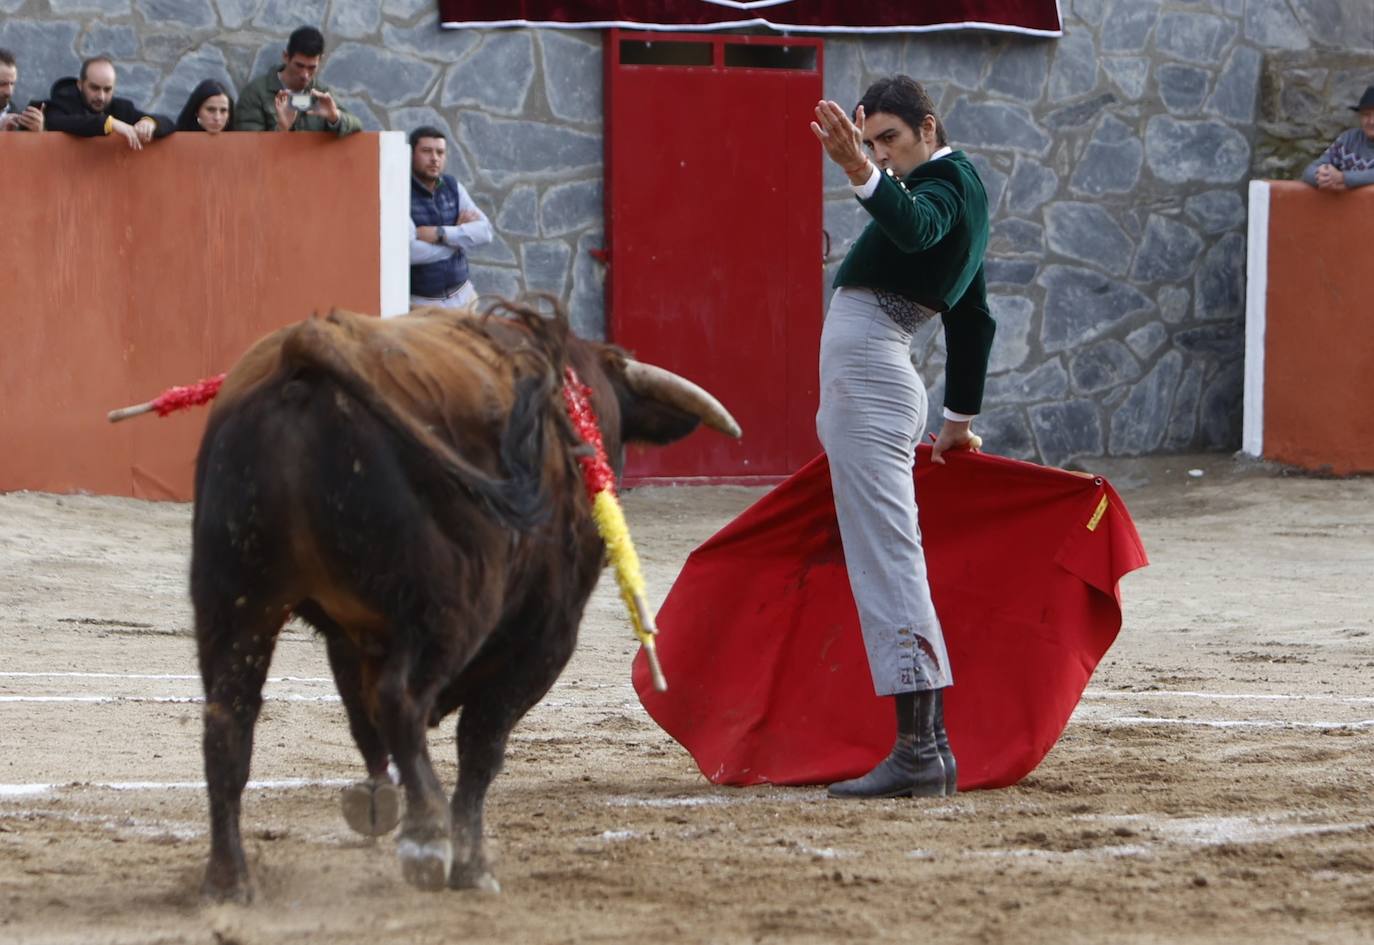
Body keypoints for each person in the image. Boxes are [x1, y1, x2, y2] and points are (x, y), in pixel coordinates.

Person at [808, 76, 994, 799]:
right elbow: (972, 317)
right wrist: (958, 423)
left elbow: (915, 226)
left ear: (927, 126)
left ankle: (921, 748)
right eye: (872, 140)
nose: (882, 153)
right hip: (877, 380)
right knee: (889, 552)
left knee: (888, 556)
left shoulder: (942, 184)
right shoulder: (962, 188)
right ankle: (929, 747)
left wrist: (858, 170)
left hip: (871, 377)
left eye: (891, 139)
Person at [408, 126, 492, 309]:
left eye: (440, 152)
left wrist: (441, 234)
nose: (434, 158)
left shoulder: (453, 187)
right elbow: (410, 252)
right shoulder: (402, 193)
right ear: (411, 154)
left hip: (465, 299)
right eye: (426, 151)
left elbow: (485, 231)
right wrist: (458, 240)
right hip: (424, 308)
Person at [234, 25, 360, 136]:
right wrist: (281, 128)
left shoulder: (321, 93)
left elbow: (356, 126)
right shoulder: (256, 93)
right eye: (299, 65)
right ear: (286, 57)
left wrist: (334, 117)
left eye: (312, 67)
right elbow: (248, 149)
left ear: (320, 61)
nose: (305, 74)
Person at [44, 57, 173, 149]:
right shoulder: (64, 103)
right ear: (80, 85)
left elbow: (170, 124)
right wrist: (110, 123)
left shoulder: (122, 109)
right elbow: (56, 122)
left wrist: (150, 123)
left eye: (107, 89)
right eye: (94, 88)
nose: (101, 96)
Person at [1302, 84, 1374, 192]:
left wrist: (1343, 178)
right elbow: (1309, 171)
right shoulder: (1348, 139)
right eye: (1366, 115)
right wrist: (1324, 179)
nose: (1371, 121)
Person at [0, 48, 45, 132]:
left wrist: (37, 133)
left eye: (12, 84)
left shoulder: (17, 117)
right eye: (2, 84)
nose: (9, 92)